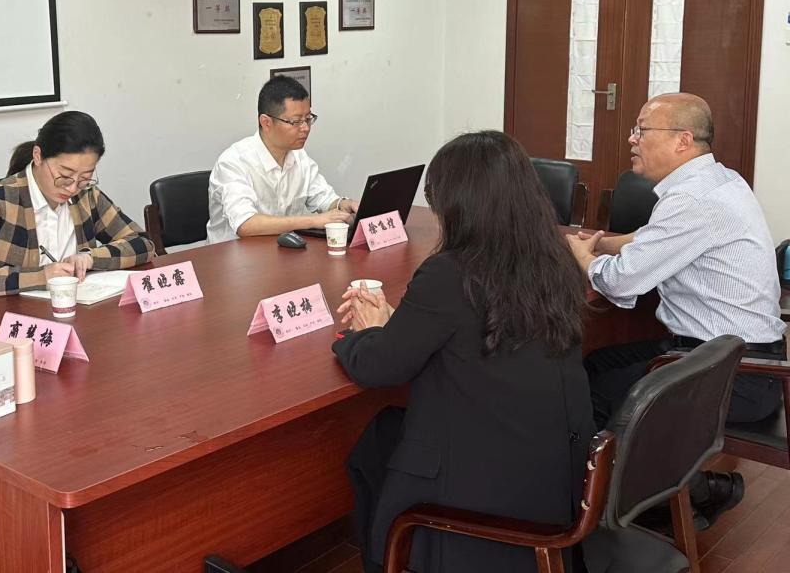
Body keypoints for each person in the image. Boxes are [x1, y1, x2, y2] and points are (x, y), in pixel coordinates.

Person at [333, 131, 593, 573]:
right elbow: (476, 331)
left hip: (483, 487)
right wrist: (403, 322)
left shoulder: (451, 273)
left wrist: (364, 333)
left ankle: (393, 558)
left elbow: (379, 367)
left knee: (376, 444)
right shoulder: (555, 260)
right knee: (383, 432)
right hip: (548, 474)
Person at [567, 93, 786, 528]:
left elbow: (622, 280)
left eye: (642, 130)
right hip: (727, 356)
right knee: (596, 363)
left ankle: (612, 512)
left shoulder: (692, 199)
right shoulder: (718, 180)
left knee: (593, 392)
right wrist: (600, 242)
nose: (632, 139)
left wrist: (583, 259)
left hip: (735, 375)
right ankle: (695, 491)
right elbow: (653, 239)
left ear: (682, 140)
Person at [0, 110, 155, 298]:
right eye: (65, 175)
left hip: (76, 311)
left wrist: (91, 258)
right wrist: (40, 277)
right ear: (38, 156)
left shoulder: (87, 196)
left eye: (85, 177)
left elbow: (143, 243)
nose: (73, 188)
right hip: (11, 320)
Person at [206, 76, 359, 243]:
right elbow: (246, 224)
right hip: (232, 255)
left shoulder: (300, 157)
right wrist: (314, 220)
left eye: (308, 119)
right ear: (266, 122)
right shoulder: (233, 162)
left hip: (282, 252)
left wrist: (342, 204)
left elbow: (323, 198)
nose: (305, 128)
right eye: (295, 121)